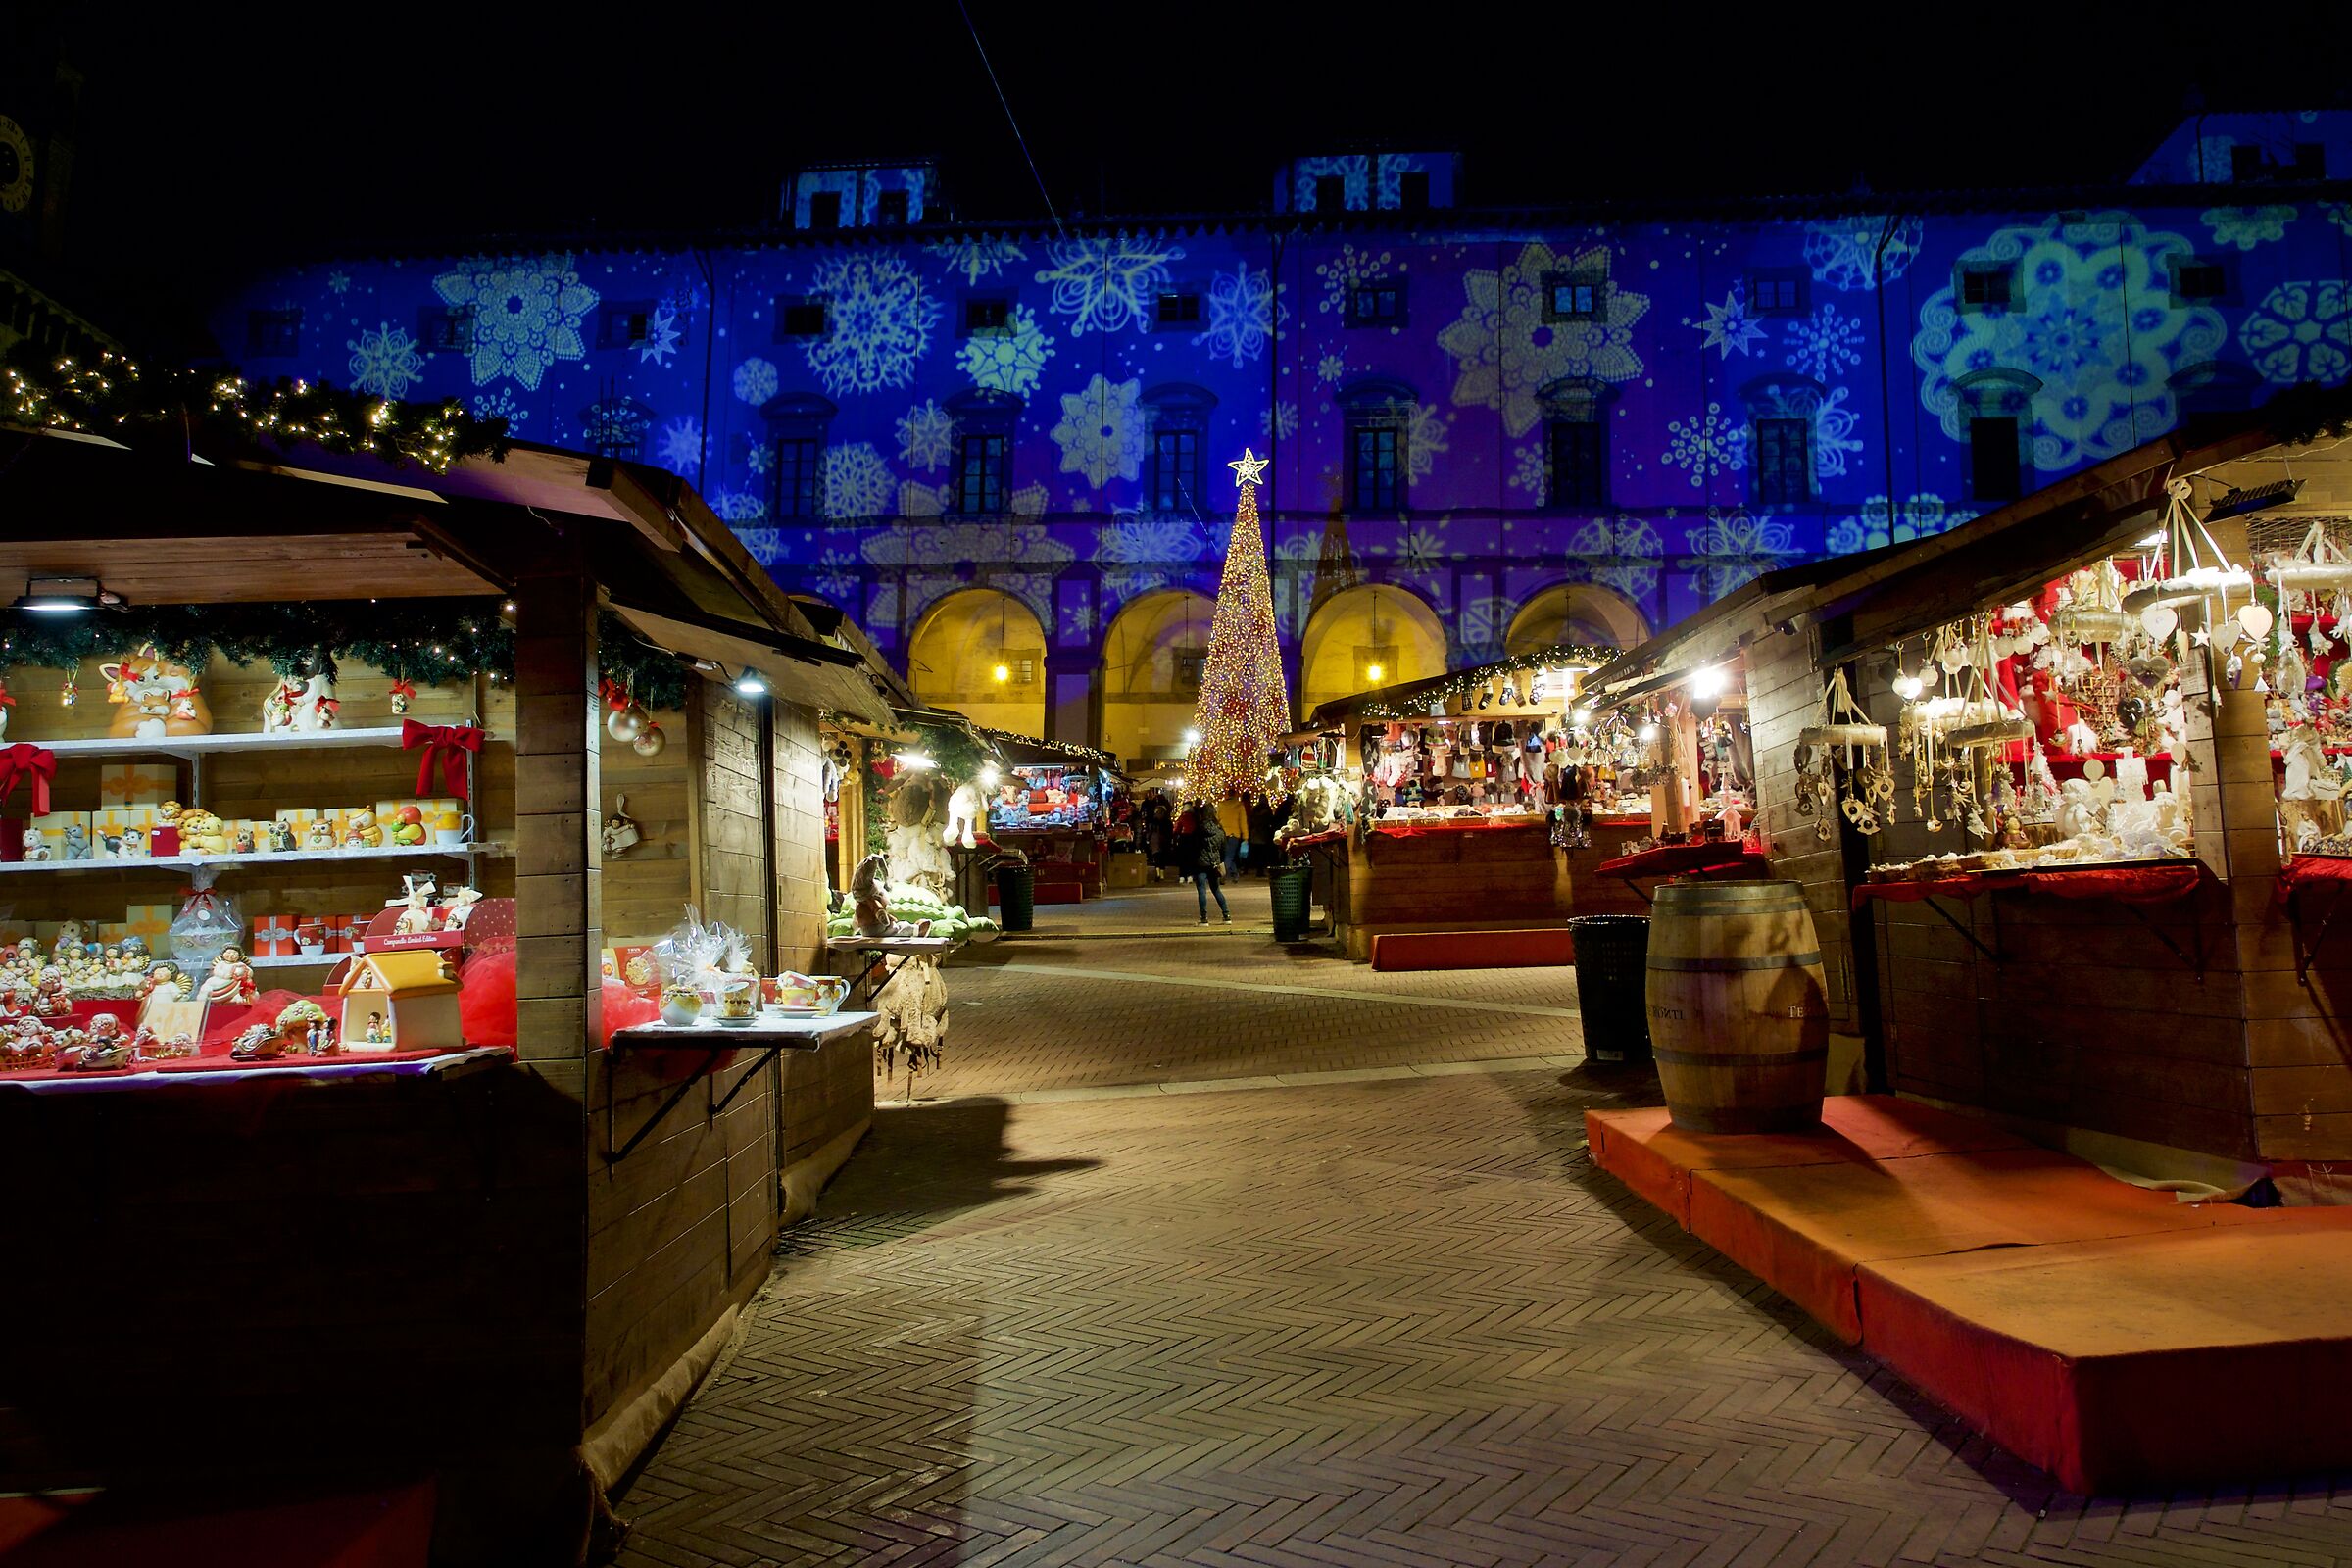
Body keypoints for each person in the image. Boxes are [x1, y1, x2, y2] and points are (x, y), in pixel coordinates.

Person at [1186, 807, 1230, 924]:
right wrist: (1220, 860)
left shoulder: (1199, 830)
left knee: (1201, 890)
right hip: (1214, 864)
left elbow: (1193, 848)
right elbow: (1224, 849)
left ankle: (1204, 918)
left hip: (1200, 864)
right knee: (1216, 889)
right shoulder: (1219, 830)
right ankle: (1226, 915)